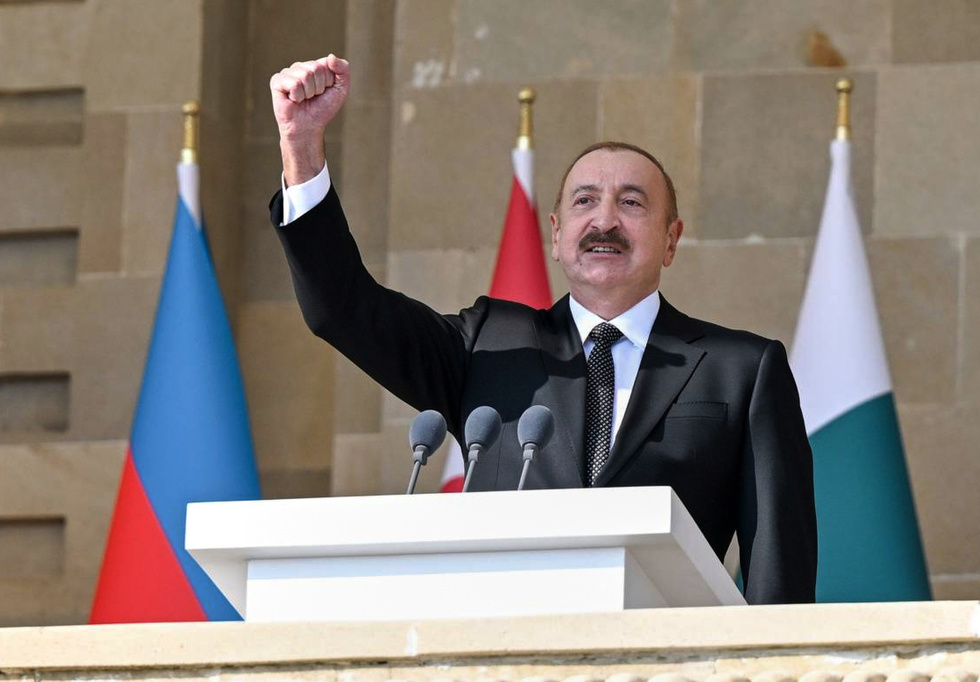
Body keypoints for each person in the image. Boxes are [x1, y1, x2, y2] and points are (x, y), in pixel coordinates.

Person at [269, 55, 817, 604]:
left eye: (631, 202)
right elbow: (343, 308)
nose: (605, 221)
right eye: (585, 201)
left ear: (671, 239)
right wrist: (302, 146)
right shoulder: (486, 345)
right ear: (556, 235)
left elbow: (779, 571)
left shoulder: (741, 369)